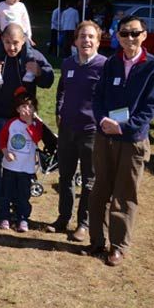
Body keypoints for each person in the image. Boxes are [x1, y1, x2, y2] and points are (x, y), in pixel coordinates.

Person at [83, 15, 154, 266]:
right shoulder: (111, 63)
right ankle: (96, 241)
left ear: (144, 35)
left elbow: (151, 107)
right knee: (99, 190)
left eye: (135, 33)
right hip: (105, 136)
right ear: (117, 37)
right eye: (124, 33)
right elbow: (97, 97)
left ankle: (117, 246)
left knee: (124, 193)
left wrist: (124, 127)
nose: (130, 38)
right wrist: (102, 121)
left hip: (132, 140)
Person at [0, 24, 54, 216]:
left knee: (21, 160)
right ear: (1, 40)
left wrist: (39, 72)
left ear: (24, 40)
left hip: (22, 120)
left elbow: (49, 80)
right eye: (7, 42)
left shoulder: (34, 56)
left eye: (16, 43)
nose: (11, 47)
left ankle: (18, 201)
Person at [46, 21, 107, 241]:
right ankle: (63, 218)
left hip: (91, 131)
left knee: (89, 179)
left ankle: (83, 223)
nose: (86, 40)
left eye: (91, 37)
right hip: (67, 129)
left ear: (98, 42)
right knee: (65, 176)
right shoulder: (68, 64)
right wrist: (59, 110)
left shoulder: (105, 66)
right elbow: (61, 89)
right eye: (82, 36)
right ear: (76, 40)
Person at [0, 88, 43, 233]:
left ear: (34, 109)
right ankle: (4, 217)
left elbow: (37, 138)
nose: (27, 109)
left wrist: (30, 123)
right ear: (17, 109)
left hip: (26, 168)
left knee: (23, 195)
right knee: (6, 193)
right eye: (24, 106)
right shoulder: (12, 123)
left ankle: (22, 218)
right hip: (10, 166)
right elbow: (2, 139)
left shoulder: (36, 125)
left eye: (30, 106)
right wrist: (5, 152)